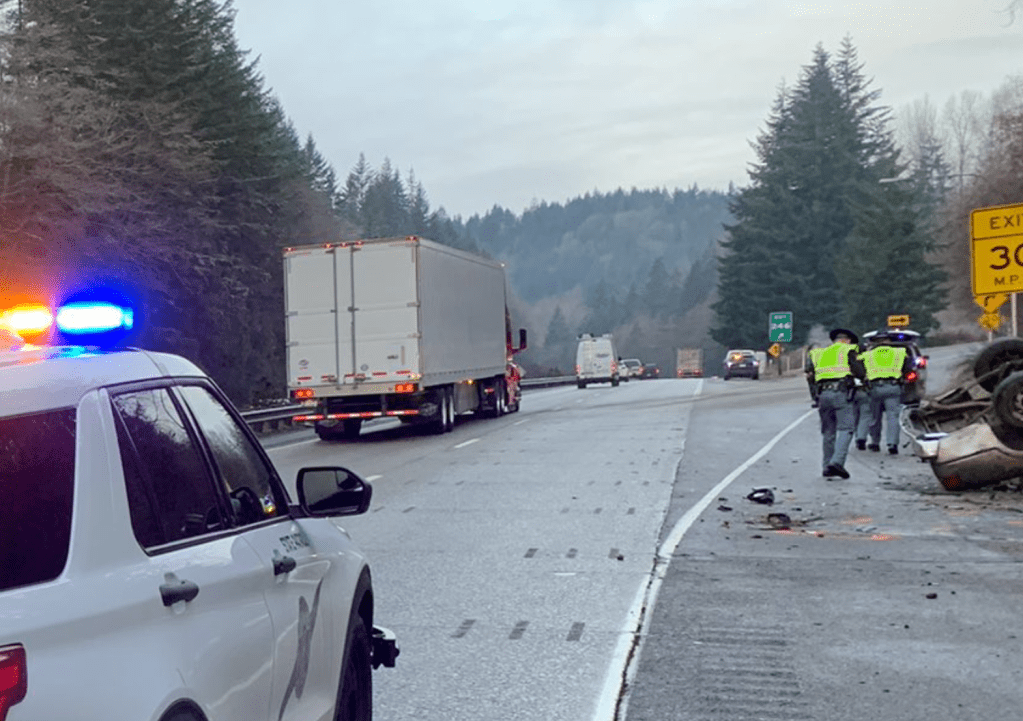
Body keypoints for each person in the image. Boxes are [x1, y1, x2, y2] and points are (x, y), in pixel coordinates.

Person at [805, 328, 866, 479]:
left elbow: (810, 376)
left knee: (828, 432)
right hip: (840, 393)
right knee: (846, 429)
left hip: (823, 395)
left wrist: (815, 396)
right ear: (848, 340)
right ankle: (837, 462)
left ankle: (826, 467)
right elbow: (860, 373)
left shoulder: (820, 353)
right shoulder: (848, 350)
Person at [860, 334, 913, 454]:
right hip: (893, 387)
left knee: (874, 417)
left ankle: (875, 443)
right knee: (893, 417)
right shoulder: (900, 352)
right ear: (889, 342)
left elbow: (860, 371)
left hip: (874, 388)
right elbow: (908, 370)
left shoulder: (868, 355)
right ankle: (892, 444)